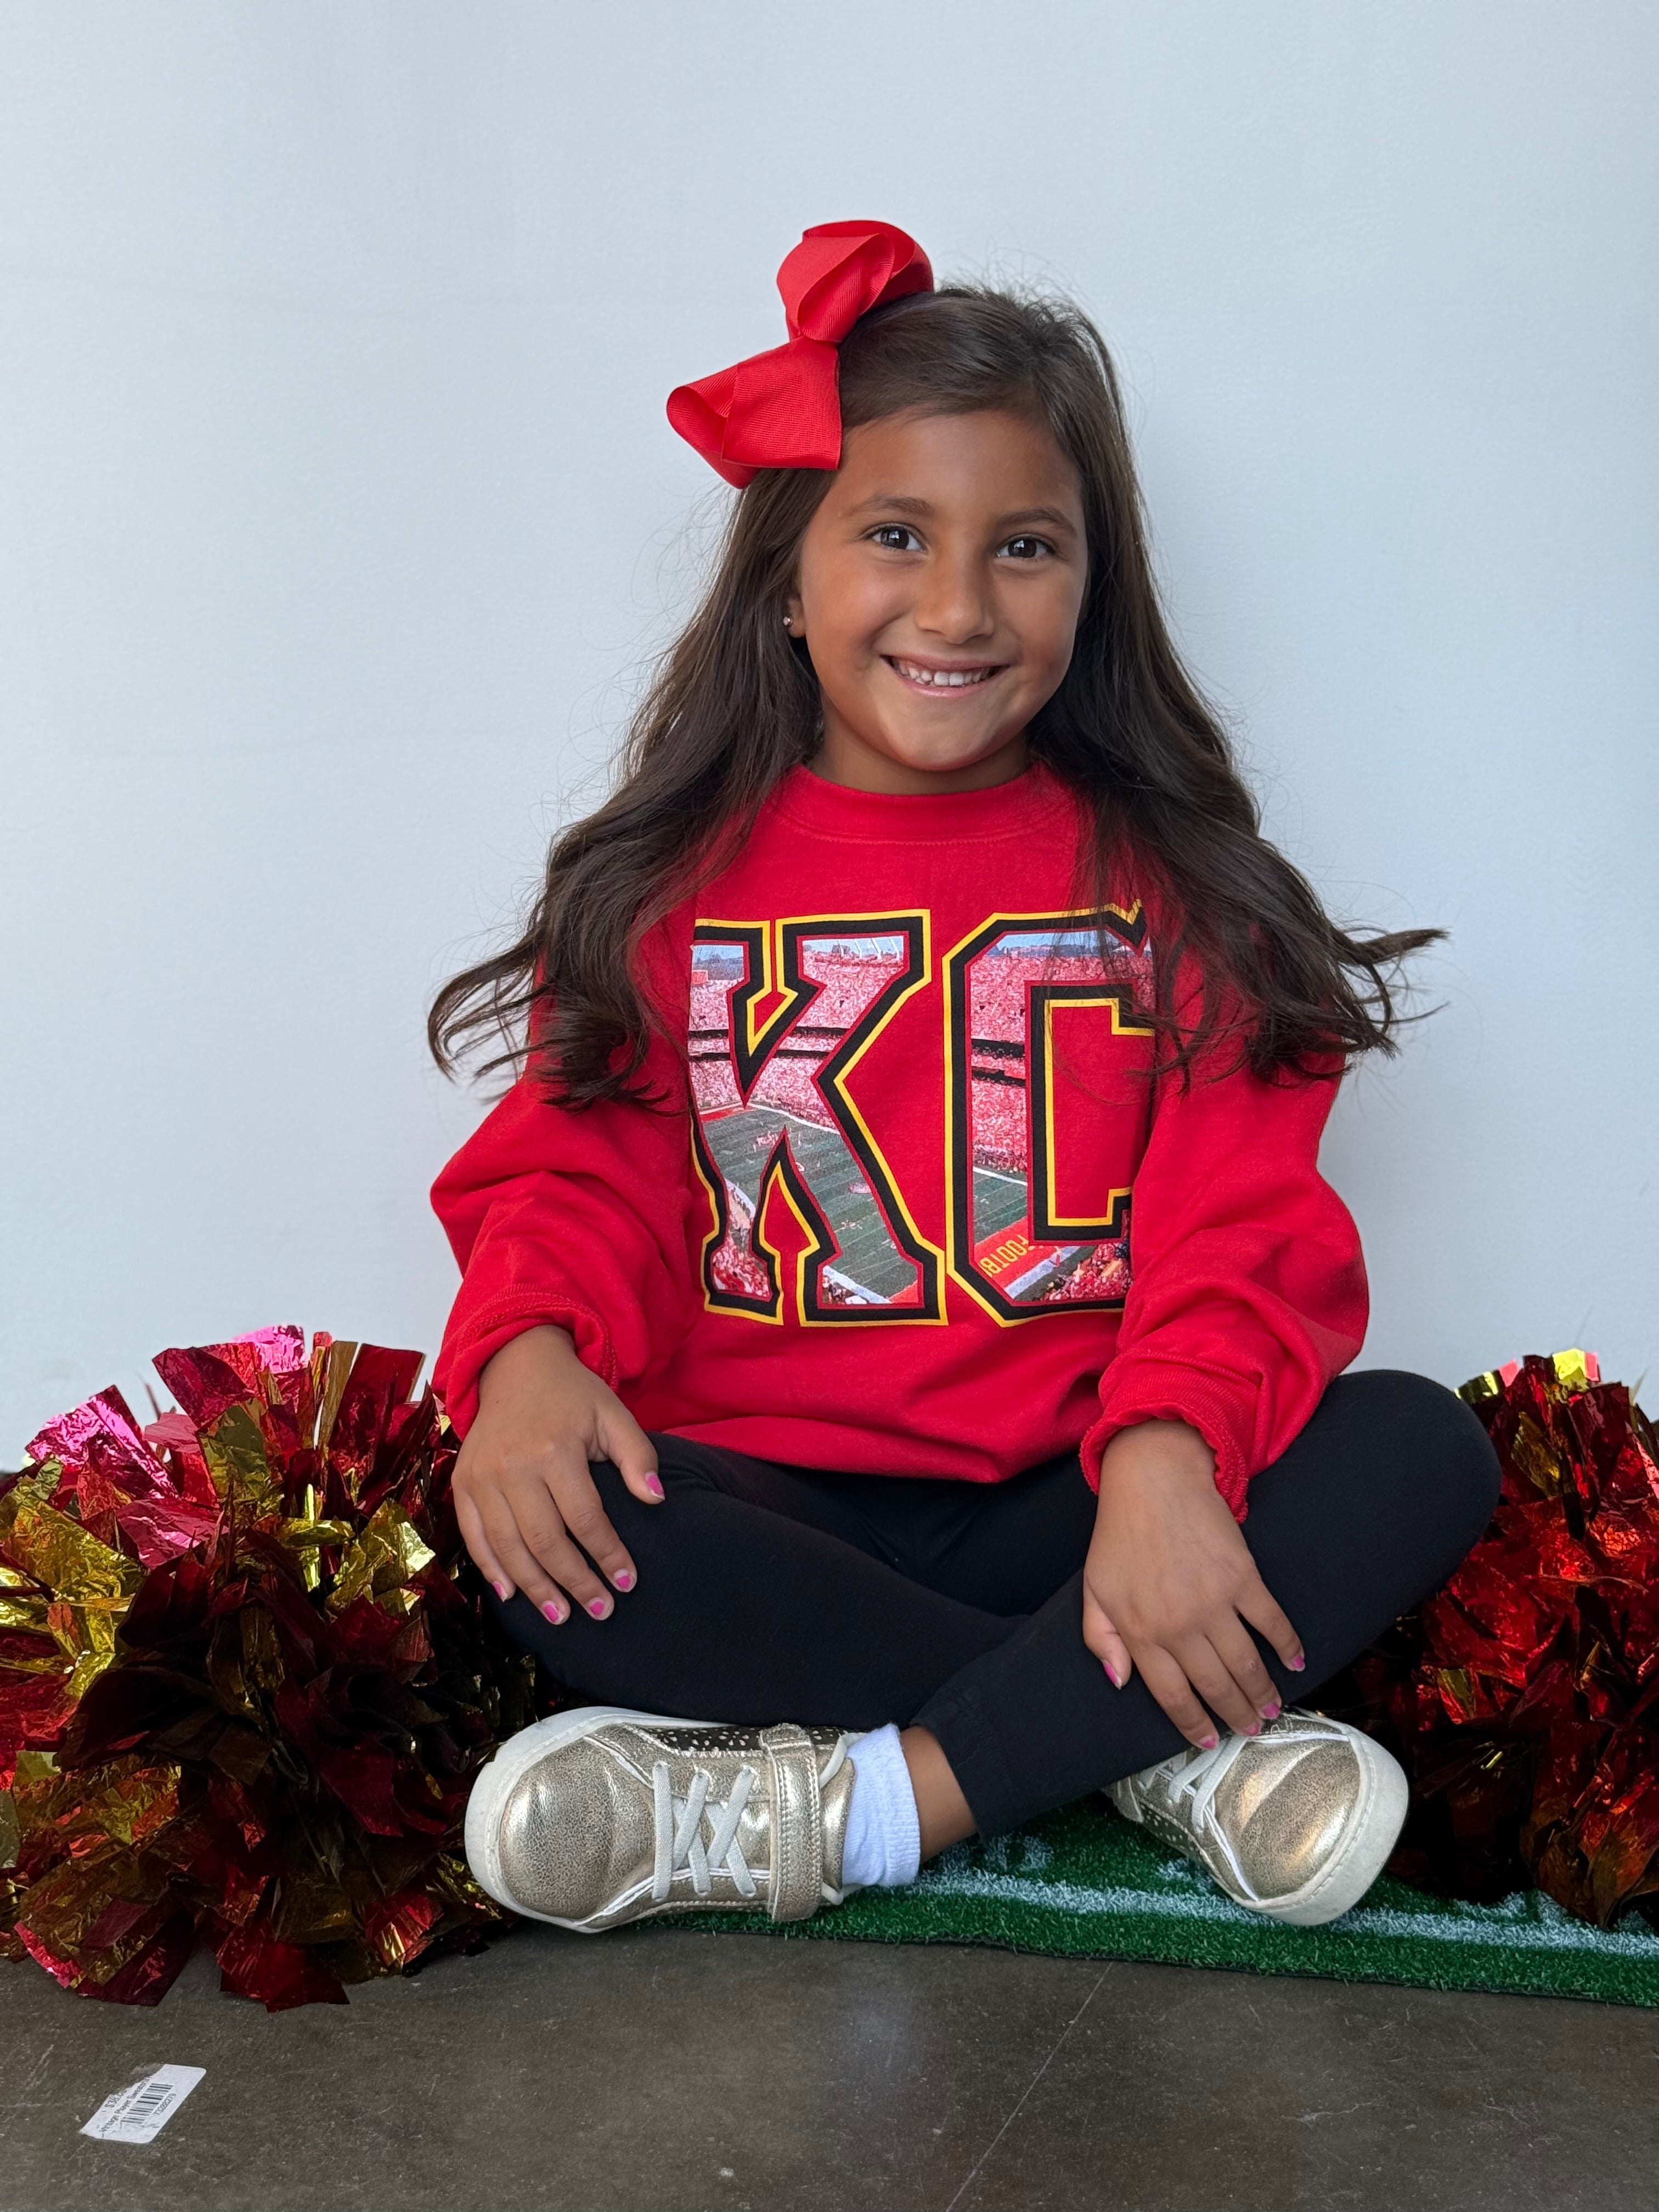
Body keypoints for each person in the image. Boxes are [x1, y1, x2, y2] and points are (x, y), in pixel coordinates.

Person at [427, 221, 1500, 1938]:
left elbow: (1241, 1227)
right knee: (561, 1525)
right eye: (896, 535)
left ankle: (867, 1809)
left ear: (1093, 586)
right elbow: (575, 1175)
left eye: (1024, 547)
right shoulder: (668, 885)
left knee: (1417, 1451)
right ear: (787, 581)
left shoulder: (1179, 888)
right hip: (775, 1502)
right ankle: (1150, 1755)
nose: (955, 606)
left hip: (1079, 1504)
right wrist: (532, 1357)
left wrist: (1166, 1458)